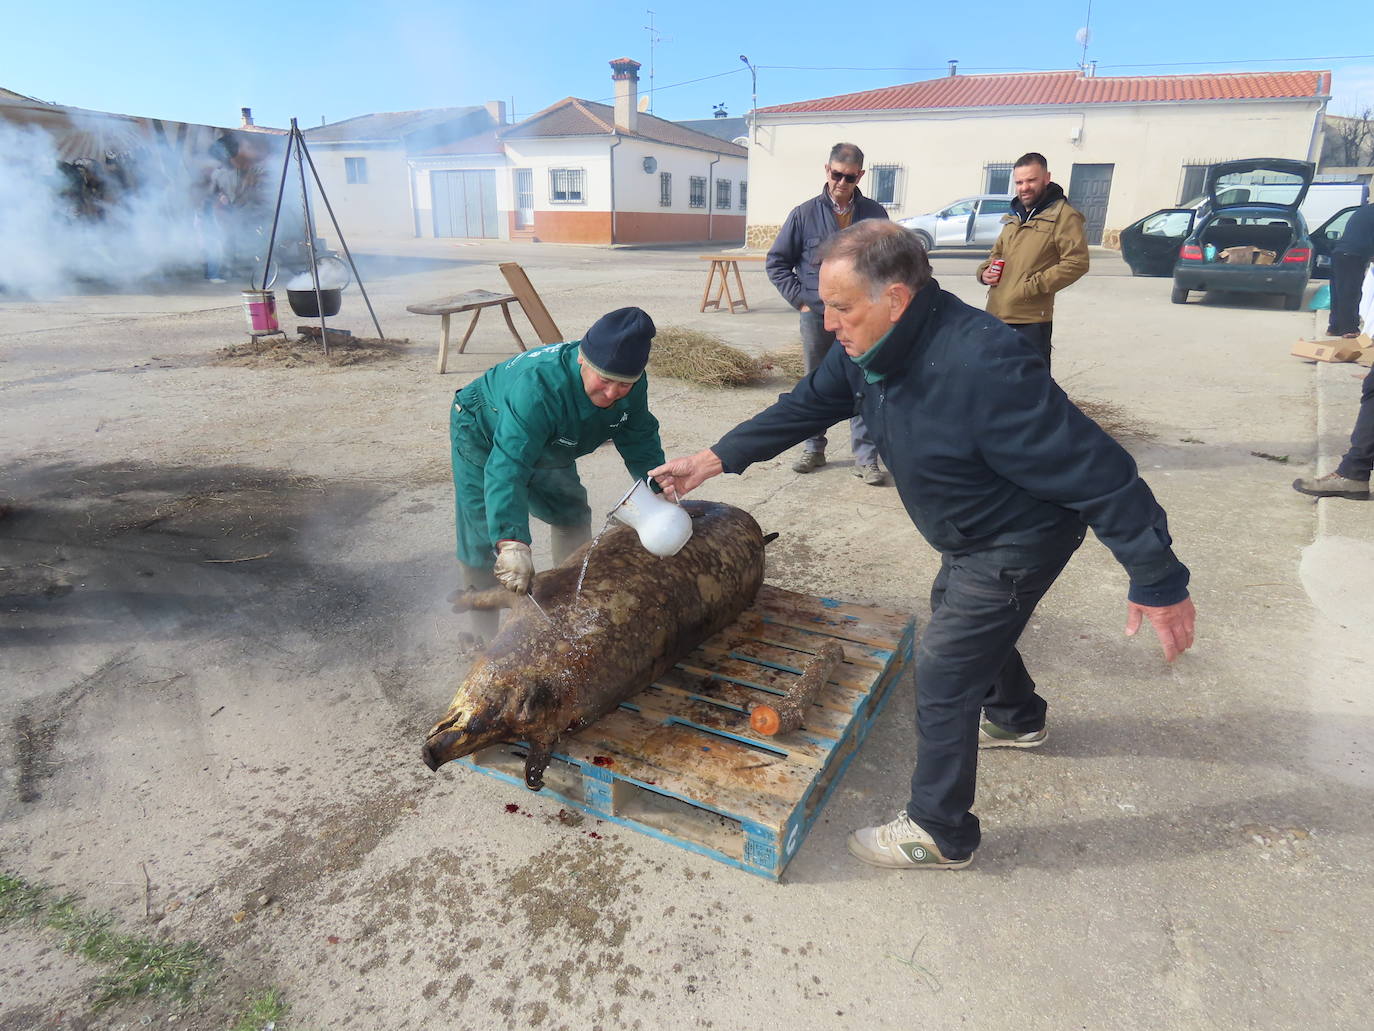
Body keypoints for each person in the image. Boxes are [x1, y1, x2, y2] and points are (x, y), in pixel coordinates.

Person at [651, 221, 1195, 871]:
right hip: (969, 532)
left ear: (898, 299)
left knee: (943, 666)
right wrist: (709, 460)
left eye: (842, 307)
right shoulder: (867, 351)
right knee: (963, 622)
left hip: (1018, 536)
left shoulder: (987, 364)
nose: (829, 323)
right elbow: (801, 407)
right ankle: (1018, 718)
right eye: (826, 305)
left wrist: (1158, 579)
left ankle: (940, 830)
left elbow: (1102, 471)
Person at [450, 307, 666, 639]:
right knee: (483, 530)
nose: (612, 393)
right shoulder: (538, 386)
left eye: (624, 385)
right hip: (483, 427)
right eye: (605, 380)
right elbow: (508, 466)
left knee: (570, 512)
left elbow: (639, 437)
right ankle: (484, 639)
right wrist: (512, 541)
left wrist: (657, 487)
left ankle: (572, 605)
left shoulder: (632, 386)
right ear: (583, 359)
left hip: (555, 438)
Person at [766, 142, 889, 485]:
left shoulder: (875, 215)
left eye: (849, 177)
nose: (842, 183)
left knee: (865, 381)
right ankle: (813, 448)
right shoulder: (804, 214)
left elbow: (889, 262)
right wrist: (801, 301)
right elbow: (777, 262)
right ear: (827, 170)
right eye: (837, 175)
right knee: (815, 384)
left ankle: (865, 458)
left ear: (860, 176)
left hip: (862, 317)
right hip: (816, 316)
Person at [976, 152, 1089, 371]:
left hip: (1030, 321)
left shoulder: (1064, 216)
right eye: (1019, 182)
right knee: (996, 382)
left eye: (1031, 180)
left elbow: (1077, 262)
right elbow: (997, 252)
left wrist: (1032, 286)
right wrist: (984, 272)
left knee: (1030, 388)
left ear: (1046, 178)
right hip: (997, 314)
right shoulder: (1015, 214)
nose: (1024, 187)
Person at [1325, 201, 1374, 340]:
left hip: (1339, 253)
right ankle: (1349, 329)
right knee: (1350, 293)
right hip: (1353, 256)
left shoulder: (1365, 211)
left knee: (1338, 292)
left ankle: (1334, 327)